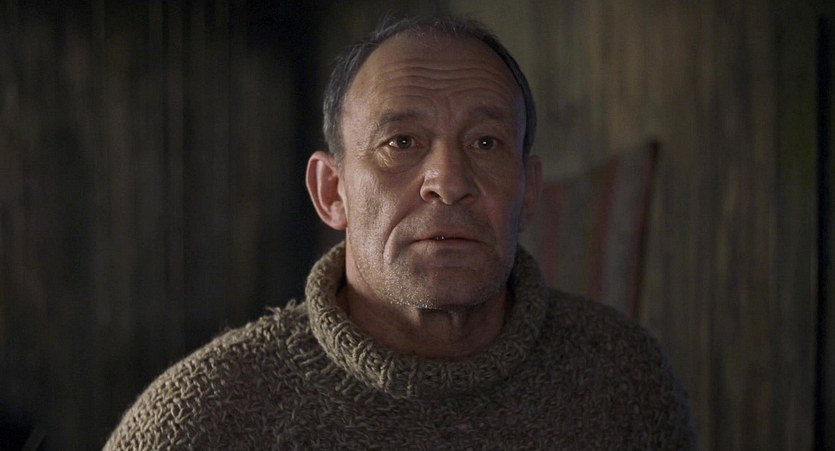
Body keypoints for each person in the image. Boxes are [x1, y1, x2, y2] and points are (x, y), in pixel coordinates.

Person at [105, 15, 696, 449]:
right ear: (332, 191)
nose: (449, 181)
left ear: (529, 191)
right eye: (401, 142)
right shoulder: (206, 418)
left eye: (485, 142)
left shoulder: (623, 379)